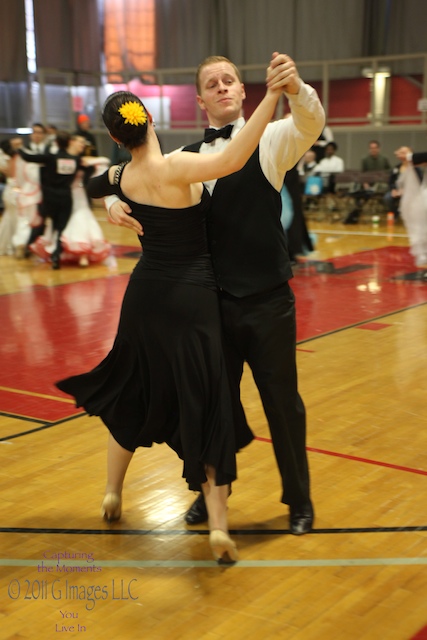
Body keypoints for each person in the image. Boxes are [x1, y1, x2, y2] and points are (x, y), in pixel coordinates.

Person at [56, 56, 285, 564]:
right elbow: (234, 158)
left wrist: (111, 202)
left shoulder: (124, 175)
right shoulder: (176, 167)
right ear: (150, 120)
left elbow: (94, 184)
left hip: (144, 298)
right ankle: (218, 527)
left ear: (115, 138)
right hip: (192, 299)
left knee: (132, 391)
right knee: (205, 401)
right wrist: (271, 96)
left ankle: (112, 491)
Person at [106, 53, 325, 536]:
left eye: (230, 80)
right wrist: (111, 201)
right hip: (209, 306)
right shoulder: (184, 158)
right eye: (213, 83)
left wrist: (295, 89)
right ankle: (207, 497)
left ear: (243, 91)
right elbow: (132, 176)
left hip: (267, 302)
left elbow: (311, 121)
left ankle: (299, 499)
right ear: (201, 100)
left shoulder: (272, 139)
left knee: (282, 404)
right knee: (207, 406)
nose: (223, 86)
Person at [19, 132, 89, 269]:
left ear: (56, 143)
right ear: (69, 143)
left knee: (41, 223)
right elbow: (89, 167)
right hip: (65, 197)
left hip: (49, 198)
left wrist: (19, 148)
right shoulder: (76, 160)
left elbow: (28, 157)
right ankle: (56, 256)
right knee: (61, 228)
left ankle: (29, 246)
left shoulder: (50, 157)